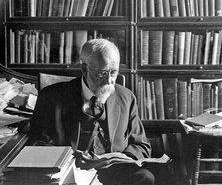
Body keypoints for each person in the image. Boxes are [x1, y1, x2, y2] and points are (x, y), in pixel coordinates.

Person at [28, 38, 156, 185]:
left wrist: (121, 157)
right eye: (102, 73)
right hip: (71, 172)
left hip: (115, 173)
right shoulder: (52, 97)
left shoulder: (126, 97)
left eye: (113, 72)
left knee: (145, 177)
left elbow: (142, 145)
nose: (109, 81)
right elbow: (37, 143)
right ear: (84, 69)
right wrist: (70, 158)